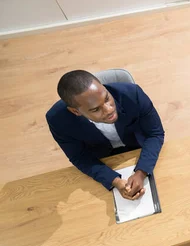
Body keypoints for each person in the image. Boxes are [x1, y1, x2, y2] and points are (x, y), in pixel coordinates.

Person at [46, 70, 165, 200]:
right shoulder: (57, 120)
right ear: (76, 111)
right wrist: (114, 181)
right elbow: (79, 156)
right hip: (101, 157)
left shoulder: (133, 94)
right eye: (96, 109)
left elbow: (155, 133)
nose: (109, 109)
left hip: (137, 147)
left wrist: (141, 172)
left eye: (107, 98)